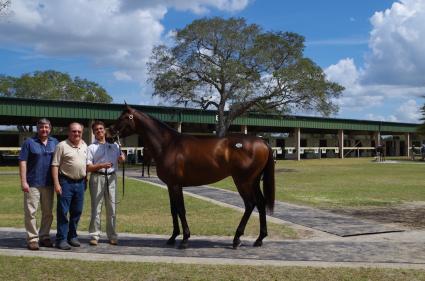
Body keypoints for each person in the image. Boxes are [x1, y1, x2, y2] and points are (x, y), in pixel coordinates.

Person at [19, 118, 58, 250]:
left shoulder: (55, 143)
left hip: (49, 183)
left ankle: (44, 236)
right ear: (37, 128)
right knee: (31, 212)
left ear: (50, 128)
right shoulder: (29, 143)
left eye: (46, 127)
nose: (44, 129)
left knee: (48, 212)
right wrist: (23, 181)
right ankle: (32, 239)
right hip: (32, 183)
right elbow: (23, 162)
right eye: (41, 127)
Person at [87, 120, 125, 246]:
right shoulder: (91, 148)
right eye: (96, 129)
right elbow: (88, 167)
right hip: (97, 178)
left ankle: (112, 235)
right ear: (93, 132)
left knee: (112, 209)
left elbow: (120, 159)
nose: (99, 131)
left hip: (112, 178)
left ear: (104, 130)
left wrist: (121, 159)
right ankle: (94, 235)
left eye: (101, 129)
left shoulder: (115, 146)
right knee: (96, 208)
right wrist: (101, 165)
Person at [51, 122, 87, 250]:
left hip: (81, 183)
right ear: (69, 132)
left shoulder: (84, 145)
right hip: (65, 182)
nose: (76, 133)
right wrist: (56, 183)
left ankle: (72, 236)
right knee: (63, 212)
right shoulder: (61, 146)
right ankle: (61, 239)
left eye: (79, 131)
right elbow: (55, 165)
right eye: (74, 131)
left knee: (77, 212)